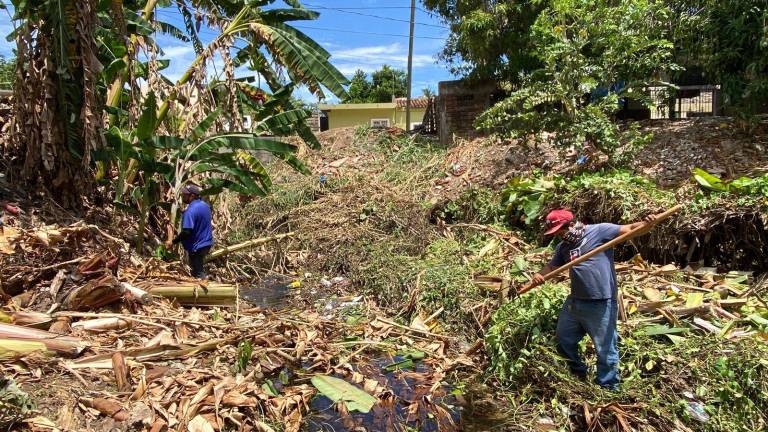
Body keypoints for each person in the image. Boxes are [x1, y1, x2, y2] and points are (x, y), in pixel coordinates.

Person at [530, 209, 659, 391]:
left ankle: (608, 387)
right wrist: (538, 275)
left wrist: (648, 224)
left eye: (560, 232)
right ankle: (578, 372)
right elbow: (552, 266)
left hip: (601, 301)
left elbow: (630, 229)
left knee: (605, 348)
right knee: (564, 339)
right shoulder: (563, 247)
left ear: (570, 225)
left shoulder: (599, 231)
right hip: (575, 300)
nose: (559, 236)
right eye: (556, 234)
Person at [166, 184, 213, 279]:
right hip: (207, 244)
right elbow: (199, 219)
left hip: (197, 246)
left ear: (192, 196)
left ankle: (207, 290)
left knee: (198, 273)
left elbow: (187, 232)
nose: (183, 196)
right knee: (197, 270)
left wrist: (173, 242)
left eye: (185, 195)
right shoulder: (205, 206)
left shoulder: (190, 211)